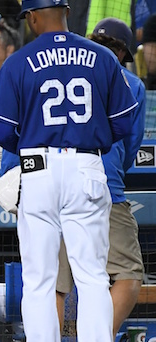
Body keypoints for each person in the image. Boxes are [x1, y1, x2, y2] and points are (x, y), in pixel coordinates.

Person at [0, 0, 137, 342]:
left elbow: (2, 133)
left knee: (39, 279)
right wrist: (88, 141)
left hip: (39, 169)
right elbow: (124, 124)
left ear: (32, 18)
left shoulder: (19, 62)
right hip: (87, 168)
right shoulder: (102, 58)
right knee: (93, 276)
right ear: (66, 12)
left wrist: (35, 144)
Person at [55, 18, 146, 338]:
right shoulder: (132, 84)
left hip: (58, 184)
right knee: (128, 275)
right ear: (122, 52)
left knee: (55, 282)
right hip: (104, 187)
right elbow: (131, 146)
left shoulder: (61, 72)